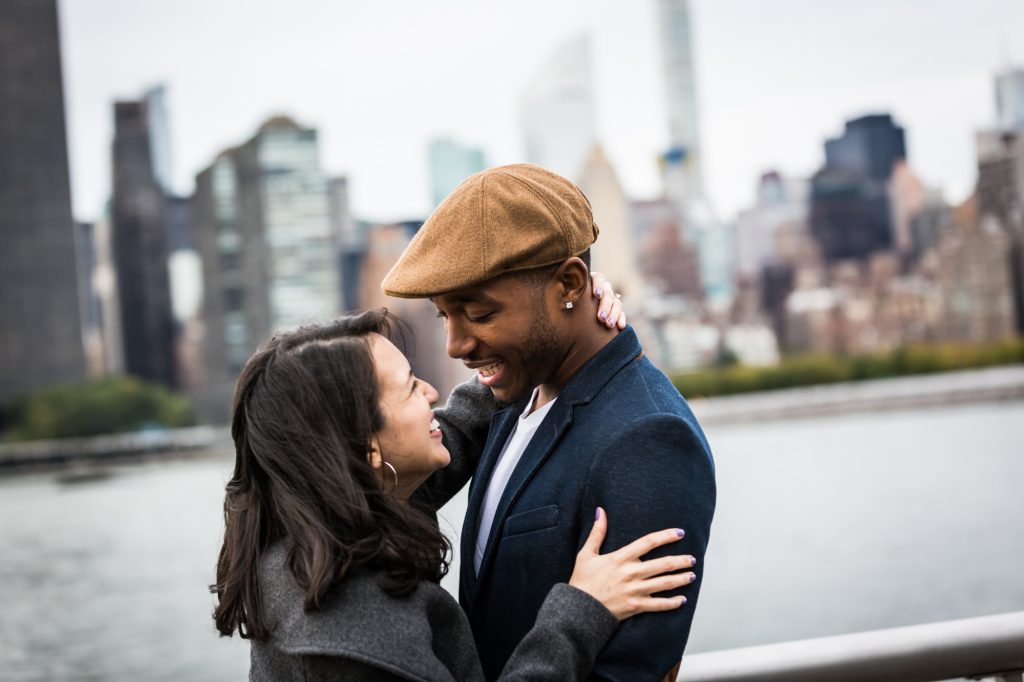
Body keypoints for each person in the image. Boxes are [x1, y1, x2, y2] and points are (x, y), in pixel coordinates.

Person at [211, 308, 698, 681]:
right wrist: (583, 608)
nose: (429, 392)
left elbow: (456, 432)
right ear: (365, 447)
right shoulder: (356, 638)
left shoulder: (315, 533)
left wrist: (555, 324)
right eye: (407, 387)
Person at [381, 163, 717, 681]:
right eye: (445, 316)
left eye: (480, 313)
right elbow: (372, 486)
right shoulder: (514, 395)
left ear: (570, 282)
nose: (455, 345)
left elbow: (631, 673)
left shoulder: (648, 438)